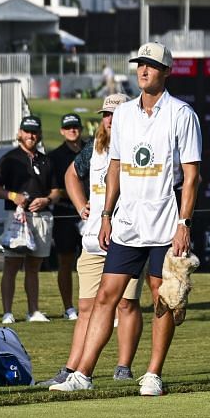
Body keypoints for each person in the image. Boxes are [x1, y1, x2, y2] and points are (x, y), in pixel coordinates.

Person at [51, 41, 200, 397]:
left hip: (166, 222)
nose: (143, 70)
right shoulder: (126, 114)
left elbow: (191, 176)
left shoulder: (182, 114)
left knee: (161, 296)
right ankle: (83, 373)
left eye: (151, 65)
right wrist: (105, 215)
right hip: (127, 223)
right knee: (106, 295)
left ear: (166, 71)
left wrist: (185, 224)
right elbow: (114, 168)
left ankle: (153, 374)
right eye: (140, 65)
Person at [54, 92, 141, 384]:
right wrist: (81, 206)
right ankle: (71, 369)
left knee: (126, 304)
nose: (110, 119)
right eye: (106, 114)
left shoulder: (138, 145)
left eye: (116, 114)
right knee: (88, 307)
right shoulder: (93, 149)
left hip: (128, 236)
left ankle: (123, 367)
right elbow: (70, 175)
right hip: (93, 239)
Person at [0, 114, 54, 323]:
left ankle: (33, 311)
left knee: (34, 266)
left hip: (41, 216)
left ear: (39, 134)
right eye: (27, 131)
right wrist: (12, 196)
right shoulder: (9, 158)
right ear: (20, 133)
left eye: (34, 132)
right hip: (16, 217)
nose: (31, 135)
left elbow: (56, 191)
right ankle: (8, 312)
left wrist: (46, 200)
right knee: (12, 264)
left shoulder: (46, 160)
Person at [46, 114, 87, 320]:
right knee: (66, 261)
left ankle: (96, 304)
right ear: (62, 131)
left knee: (97, 260)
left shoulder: (91, 149)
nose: (72, 130)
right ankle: (69, 307)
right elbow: (52, 188)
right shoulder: (54, 156)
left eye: (75, 127)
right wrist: (67, 192)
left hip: (91, 213)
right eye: (68, 127)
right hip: (65, 212)